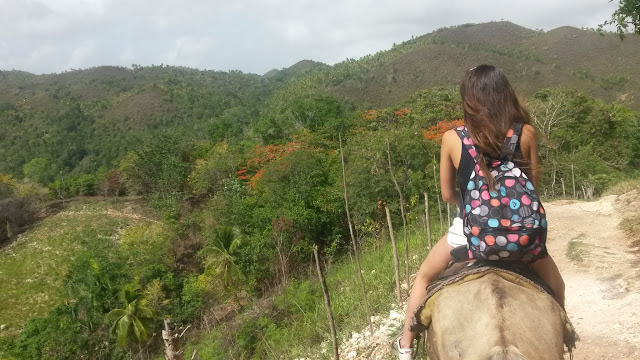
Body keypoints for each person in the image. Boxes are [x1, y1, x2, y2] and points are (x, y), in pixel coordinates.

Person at [396, 65, 566, 359]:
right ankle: (561, 341)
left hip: (468, 235)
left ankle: (405, 348)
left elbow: (448, 194)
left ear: (468, 100)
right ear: (505, 94)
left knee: (423, 277)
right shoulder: (525, 133)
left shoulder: (453, 138)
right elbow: (533, 189)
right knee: (557, 286)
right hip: (522, 240)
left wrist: (474, 204)